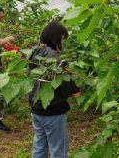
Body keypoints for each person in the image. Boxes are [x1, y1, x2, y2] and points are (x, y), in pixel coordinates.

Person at [26, 22, 80, 158]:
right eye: (62, 39)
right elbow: (65, 84)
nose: (62, 43)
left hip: (36, 110)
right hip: (53, 111)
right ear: (57, 37)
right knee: (59, 150)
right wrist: (78, 83)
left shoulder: (34, 53)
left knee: (39, 146)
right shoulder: (55, 58)